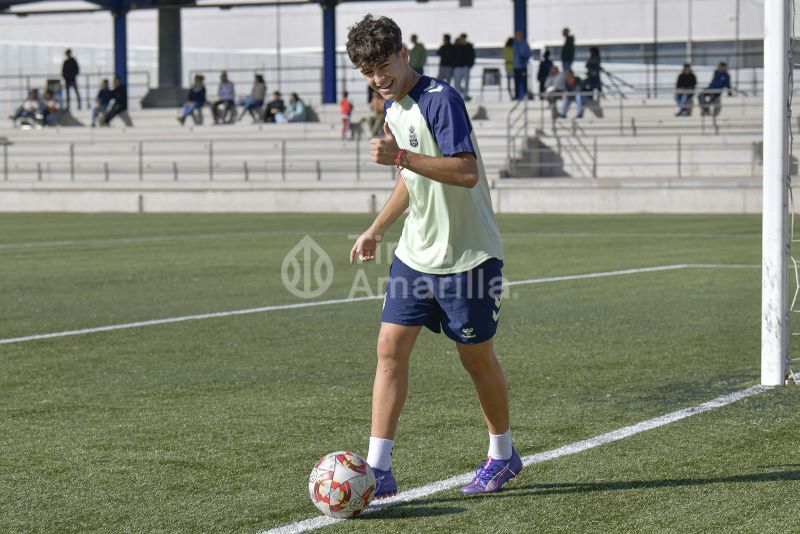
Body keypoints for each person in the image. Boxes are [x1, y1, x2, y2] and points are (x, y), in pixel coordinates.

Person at [345, 14, 520, 499]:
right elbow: (412, 180)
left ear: (404, 55)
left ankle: (503, 456)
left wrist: (400, 156)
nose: (377, 78)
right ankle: (379, 470)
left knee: (476, 358)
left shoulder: (442, 101)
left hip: (468, 259)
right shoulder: (393, 109)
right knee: (389, 351)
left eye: (383, 65)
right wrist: (378, 229)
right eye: (367, 71)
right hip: (415, 256)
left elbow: (465, 172)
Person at [452, 33, 475, 101]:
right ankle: (458, 96)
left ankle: (465, 96)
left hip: (465, 66)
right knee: (457, 82)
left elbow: (471, 55)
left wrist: (470, 64)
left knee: (466, 82)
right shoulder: (456, 46)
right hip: (457, 66)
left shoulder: (469, 46)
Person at [512, 30, 532, 101]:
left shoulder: (524, 43)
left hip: (523, 66)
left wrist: (525, 58)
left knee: (524, 81)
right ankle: (517, 96)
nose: (517, 36)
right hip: (515, 66)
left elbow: (529, 53)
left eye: (519, 35)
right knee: (516, 82)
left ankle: (525, 95)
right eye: (516, 35)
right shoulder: (514, 43)